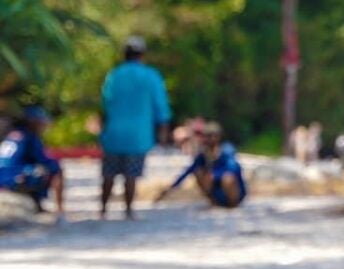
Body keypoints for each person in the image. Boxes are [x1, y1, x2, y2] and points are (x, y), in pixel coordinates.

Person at [100, 36, 171, 219]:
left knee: (108, 173)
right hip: (138, 135)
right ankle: (129, 210)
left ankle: (103, 209)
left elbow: (105, 103)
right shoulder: (151, 76)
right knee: (131, 174)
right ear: (142, 54)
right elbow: (161, 106)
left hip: (114, 134)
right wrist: (163, 131)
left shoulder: (114, 75)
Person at [160, 123, 247, 209]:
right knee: (198, 172)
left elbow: (234, 169)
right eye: (207, 136)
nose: (209, 139)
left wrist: (215, 175)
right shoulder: (203, 155)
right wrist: (171, 188)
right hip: (215, 189)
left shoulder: (226, 150)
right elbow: (188, 171)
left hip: (232, 189)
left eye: (212, 136)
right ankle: (214, 201)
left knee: (227, 178)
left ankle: (233, 204)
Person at [0, 105, 65, 217]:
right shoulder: (29, 136)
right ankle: (56, 209)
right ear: (32, 122)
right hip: (14, 178)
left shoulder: (13, 134)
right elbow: (46, 162)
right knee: (52, 170)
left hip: (3, 174)